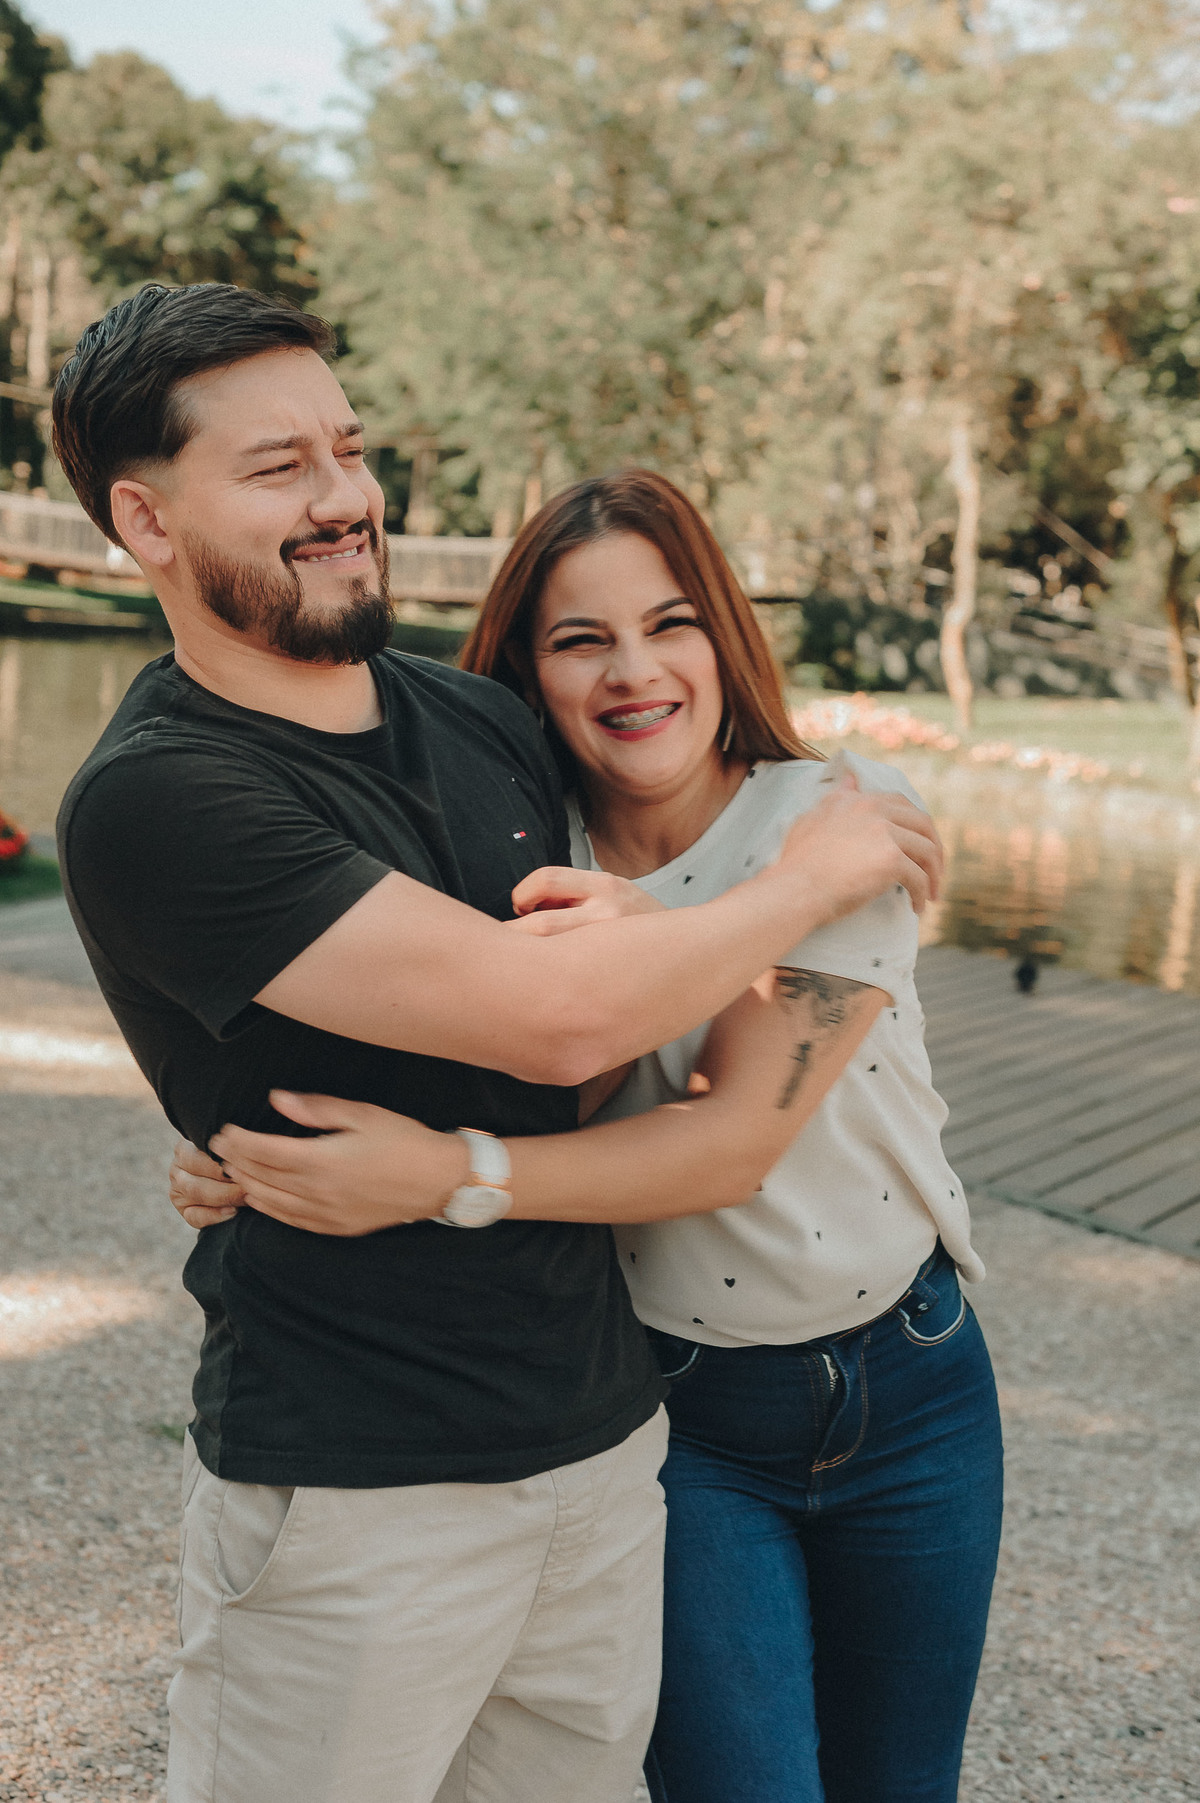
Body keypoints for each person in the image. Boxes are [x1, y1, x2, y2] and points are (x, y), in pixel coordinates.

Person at [52, 285, 942, 1803]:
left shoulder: (483, 721)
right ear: (146, 521)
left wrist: (735, 901)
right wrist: (814, 882)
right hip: (359, 1487)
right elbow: (562, 1019)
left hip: (603, 1449)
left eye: (347, 449)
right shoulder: (162, 795)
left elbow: (613, 1022)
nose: (342, 498)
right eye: (277, 468)